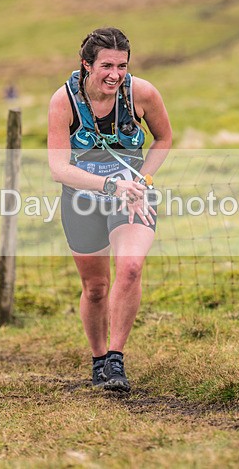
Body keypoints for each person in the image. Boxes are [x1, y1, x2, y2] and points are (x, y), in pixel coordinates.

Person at [47, 27, 172, 392]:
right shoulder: (64, 101)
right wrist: (108, 185)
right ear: (87, 65)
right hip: (82, 199)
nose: (115, 75)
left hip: (132, 196)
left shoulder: (142, 93)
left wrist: (142, 181)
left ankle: (116, 359)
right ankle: (99, 359)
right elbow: (59, 169)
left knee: (130, 268)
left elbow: (164, 138)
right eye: (106, 66)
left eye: (122, 66)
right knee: (96, 287)